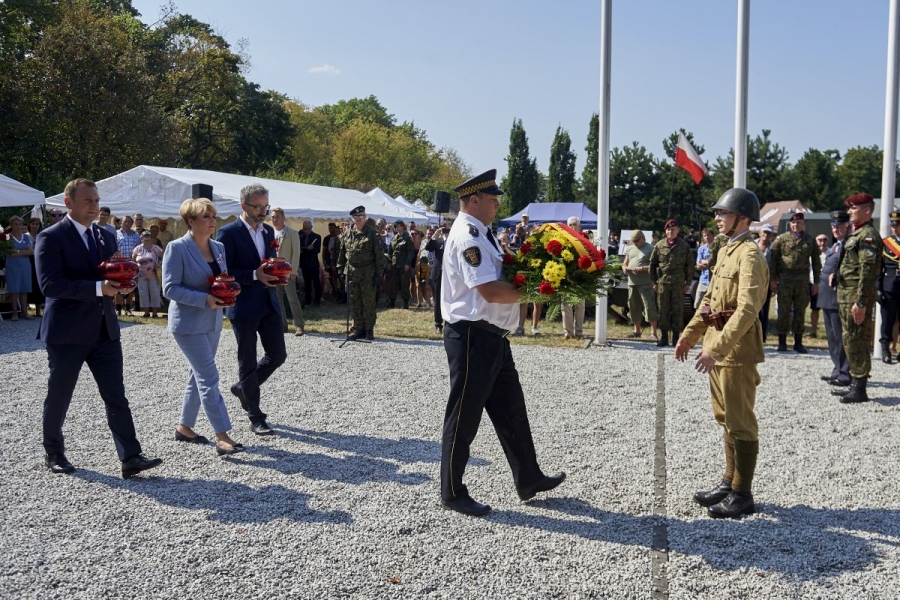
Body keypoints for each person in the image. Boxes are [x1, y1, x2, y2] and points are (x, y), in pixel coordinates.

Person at [440, 169, 565, 517]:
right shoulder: (468, 236)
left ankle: (529, 478)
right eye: (492, 198)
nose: (497, 204)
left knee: (512, 409)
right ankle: (452, 491)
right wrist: (537, 291)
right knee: (464, 416)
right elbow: (490, 291)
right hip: (472, 336)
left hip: (492, 336)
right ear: (474, 200)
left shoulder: (484, 234)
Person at [35, 178, 162, 478]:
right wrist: (98, 288)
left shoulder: (105, 236)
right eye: (88, 201)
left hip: (105, 330)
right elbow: (50, 285)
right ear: (68, 203)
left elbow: (112, 274)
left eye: (97, 201)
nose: (95, 206)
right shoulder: (51, 237)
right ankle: (54, 452)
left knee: (116, 395)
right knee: (60, 394)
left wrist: (125, 284)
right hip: (67, 332)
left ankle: (130, 456)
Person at [675, 188, 767, 519]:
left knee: (741, 422)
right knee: (726, 419)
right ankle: (729, 482)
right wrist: (689, 336)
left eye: (723, 213)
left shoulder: (750, 255)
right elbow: (710, 301)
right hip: (718, 346)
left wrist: (716, 349)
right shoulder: (727, 249)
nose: (717, 218)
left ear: (742, 218)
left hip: (737, 350)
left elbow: (746, 311)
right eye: (717, 213)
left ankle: (742, 494)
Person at [163, 198, 244, 456]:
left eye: (213, 216)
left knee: (197, 375)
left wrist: (227, 292)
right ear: (190, 221)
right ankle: (222, 435)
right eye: (206, 217)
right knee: (209, 377)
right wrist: (205, 299)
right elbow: (170, 288)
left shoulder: (218, 247)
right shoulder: (176, 248)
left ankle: (184, 427)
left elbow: (221, 279)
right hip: (187, 324)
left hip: (213, 320)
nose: (212, 221)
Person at [217, 183, 286, 435]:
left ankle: (241, 388)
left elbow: (267, 263)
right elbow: (224, 272)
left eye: (265, 206)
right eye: (258, 207)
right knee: (247, 361)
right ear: (243, 205)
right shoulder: (228, 233)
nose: (263, 211)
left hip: (268, 302)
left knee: (277, 355)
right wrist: (255, 275)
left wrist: (278, 273)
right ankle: (256, 417)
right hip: (244, 304)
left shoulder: (268, 231)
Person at [834, 194, 882, 403]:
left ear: (867, 211)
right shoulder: (857, 233)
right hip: (847, 294)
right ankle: (854, 383)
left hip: (856, 296)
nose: (849, 212)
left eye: (853, 208)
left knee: (857, 339)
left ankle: (860, 388)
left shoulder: (868, 236)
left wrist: (861, 302)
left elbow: (867, 271)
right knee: (850, 339)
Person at [769, 212, 821, 353]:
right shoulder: (781, 239)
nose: (796, 225)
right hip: (785, 279)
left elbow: (816, 262)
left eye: (798, 222)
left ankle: (798, 342)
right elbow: (773, 260)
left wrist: (816, 282)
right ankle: (782, 342)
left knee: (800, 310)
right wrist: (773, 279)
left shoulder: (810, 240)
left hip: (802, 280)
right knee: (783, 310)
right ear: (789, 224)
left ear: (804, 224)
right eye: (793, 223)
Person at [337, 206, 382, 341]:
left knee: (368, 302)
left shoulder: (373, 234)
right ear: (352, 219)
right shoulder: (348, 234)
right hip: (351, 273)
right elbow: (342, 253)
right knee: (354, 302)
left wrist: (379, 274)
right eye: (356, 217)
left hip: (367, 274)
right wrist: (340, 270)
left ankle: (369, 330)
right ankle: (359, 329)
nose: (358, 219)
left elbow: (379, 256)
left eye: (361, 216)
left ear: (365, 217)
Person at [819, 211, 850, 386]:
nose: (836, 230)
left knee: (839, 336)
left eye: (839, 226)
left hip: (837, 295)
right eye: (833, 227)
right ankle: (837, 369)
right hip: (827, 295)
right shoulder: (837, 245)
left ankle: (845, 373)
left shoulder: (848, 245)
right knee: (832, 337)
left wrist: (837, 275)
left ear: (847, 226)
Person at [650, 218, 692, 347]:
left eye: (673, 229)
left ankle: (675, 338)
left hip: (678, 283)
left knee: (677, 310)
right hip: (663, 283)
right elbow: (652, 264)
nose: (670, 232)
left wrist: (688, 283)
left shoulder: (684, 246)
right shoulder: (659, 245)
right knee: (663, 310)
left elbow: (690, 265)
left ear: (678, 230)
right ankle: (663, 338)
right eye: (668, 230)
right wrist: (654, 281)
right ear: (665, 231)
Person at [271, 207, 305, 336]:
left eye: (277, 217)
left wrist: (294, 270)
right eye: (273, 217)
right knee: (277, 299)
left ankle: (299, 325)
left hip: (287, 271)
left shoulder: (292, 232)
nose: (275, 219)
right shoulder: (269, 232)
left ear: (283, 218)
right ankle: (282, 325)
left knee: (292, 298)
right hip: (273, 271)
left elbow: (296, 253)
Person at [621, 229, 658, 340]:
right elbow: (625, 263)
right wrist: (624, 268)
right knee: (633, 307)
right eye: (633, 241)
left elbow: (655, 266)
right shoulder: (630, 248)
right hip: (632, 283)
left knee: (649, 306)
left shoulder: (651, 248)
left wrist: (642, 268)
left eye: (637, 241)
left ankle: (653, 333)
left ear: (642, 238)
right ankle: (636, 331)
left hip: (645, 283)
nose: (635, 243)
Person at [877, 210, 900, 364]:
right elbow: (879, 268)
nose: (894, 228)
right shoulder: (886, 243)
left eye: (897, 225)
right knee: (887, 320)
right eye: (893, 225)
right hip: (889, 286)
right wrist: (878, 288)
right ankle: (886, 350)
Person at [561, 216, 586, 339]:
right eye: (570, 224)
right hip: (566, 275)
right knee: (566, 305)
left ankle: (579, 332)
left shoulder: (584, 240)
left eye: (574, 224)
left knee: (580, 305)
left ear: (579, 226)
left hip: (580, 276)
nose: (572, 226)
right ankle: (568, 332)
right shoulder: (563, 240)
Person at [5, 216, 34, 320]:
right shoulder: (8, 237)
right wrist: (24, 252)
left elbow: (31, 252)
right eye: (16, 224)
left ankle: (24, 313)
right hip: (12, 266)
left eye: (20, 224)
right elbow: (10, 253)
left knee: (24, 289)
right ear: (11, 225)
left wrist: (17, 251)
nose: (18, 226)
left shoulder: (26, 237)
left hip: (25, 265)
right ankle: (15, 314)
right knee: (14, 290)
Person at [132, 230, 163, 318]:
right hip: (141, 275)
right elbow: (133, 260)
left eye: (148, 236)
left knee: (155, 293)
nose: (147, 238)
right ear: (141, 238)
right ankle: (146, 313)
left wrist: (159, 264)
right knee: (143, 293)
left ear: (151, 238)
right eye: (145, 236)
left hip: (154, 275)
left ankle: (155, 313)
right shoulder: (137, 249)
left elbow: (164, 257)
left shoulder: (156, 248)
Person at [116, 215, 140, 316]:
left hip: (131, 264)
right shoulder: (116, 234)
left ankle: (128, 309)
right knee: (118, 286)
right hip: (119, 264)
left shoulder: (136, 235)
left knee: (130, 286)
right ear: (121, 222)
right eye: (125, 221)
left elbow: (139, 250)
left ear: (132, 223)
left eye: (129, 222)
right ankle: (118, 309)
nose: (127, 223)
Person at [425, 224, 447, 333]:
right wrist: (435, 235)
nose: (446, 231)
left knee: (450, 299)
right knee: (438, 299)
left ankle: (449, 322)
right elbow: (428, 248)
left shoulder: (455, 240)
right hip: (439, 273)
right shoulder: (438, 241)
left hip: (451, 274)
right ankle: (438, 324)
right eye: (445, 229)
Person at [756, 224, 776, 341]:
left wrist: (774, 281)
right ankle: (750, 336)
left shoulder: (773, 248)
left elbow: (775, 266)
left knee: (764, 310)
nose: (765, 235)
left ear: (771, 235)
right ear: (760, 233)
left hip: (766, 283)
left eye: (768, 233)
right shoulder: (751, 244)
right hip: (751, 281)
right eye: (764, 232)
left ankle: (762, 336)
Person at [387, 220, 414, 308]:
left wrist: (407, 263)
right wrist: (389, 262)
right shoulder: (394, 238)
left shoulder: (407, 238)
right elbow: (390, 251)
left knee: (404, 283)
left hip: (403, 264)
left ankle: (406, 302)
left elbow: (410, 252)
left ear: (403, 227)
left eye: (398, 226)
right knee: (393, 283)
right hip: (394, 264)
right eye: (395, 226)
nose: (397, 228)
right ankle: (392, 301)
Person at [809, 233, 830, 338]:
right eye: (820, 240)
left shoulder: (831, 253)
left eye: (825, 240)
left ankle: (829, 332)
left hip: (827, 285)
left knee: (828, 310)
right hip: (813, 284)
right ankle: (813, 332)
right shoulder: (811, 253)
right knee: (814, 309)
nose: (822, 243)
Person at [298, 219, 322, 306]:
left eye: (308, 229)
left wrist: (311, 249)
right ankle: (307, 299)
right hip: (304, 263)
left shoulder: (317, 236)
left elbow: (318, 250)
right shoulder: (300, 236)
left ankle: (317, 300)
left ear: (311, 227)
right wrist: (306, 249)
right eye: (305, 229)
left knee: (316, 282)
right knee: (307, 282)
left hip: (313, 263)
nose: (306, 231)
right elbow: (298, 248)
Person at [26, 217, 45, 317]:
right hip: (28, 260)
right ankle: (26, 309)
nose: (35, 226)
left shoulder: (42, 235)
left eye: (37, 224)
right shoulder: (25, 236)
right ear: (29, 225)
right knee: (29, 284)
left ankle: (38, 311)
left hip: (39, 261)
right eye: (33, 223)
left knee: (38, 285)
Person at [693, 228, 715, 309]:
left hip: (714, 281)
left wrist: (705, 262)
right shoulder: (701, 249)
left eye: (708, 235)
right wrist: (710, 264)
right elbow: (698, 265)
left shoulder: (718, 248)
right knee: (697, 304)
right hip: (703, 281)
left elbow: (718, 264)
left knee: (713, 306)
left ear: (713, 235)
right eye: (705, 236)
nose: (707, 237)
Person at [322, 223, 344, 301]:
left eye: (338, 231)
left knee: (342, 278)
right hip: (333, 260)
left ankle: (343, 293)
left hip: (342, 261)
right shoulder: (330, 239)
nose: (332, 230)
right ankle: (336, 292)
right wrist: (325, 261)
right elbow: (327, 250)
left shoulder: (344, 238)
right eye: (330, 228)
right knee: (333, 277)